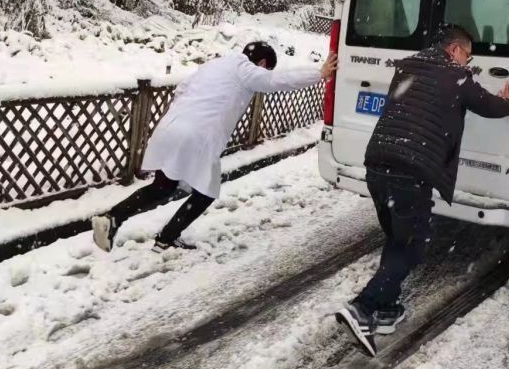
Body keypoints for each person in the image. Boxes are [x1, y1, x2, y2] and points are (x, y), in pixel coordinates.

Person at [336, 25, 509, 356]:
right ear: (455, 50)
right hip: (411, 172)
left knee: (397, 239)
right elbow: (491, 107)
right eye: (468, 56)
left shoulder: (406, 67)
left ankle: (388, 309)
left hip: (377, 165)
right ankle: (362, 307)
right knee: (413, 248)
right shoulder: (458, 77)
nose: (469, 63)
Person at [91, 42, 337, 253]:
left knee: (162, 187)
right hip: (197, 135)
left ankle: (113, 217)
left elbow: (181, 90)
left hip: (171, 127)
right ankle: (166, 238)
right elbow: (276, 81)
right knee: (206, 192)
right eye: (265, 67)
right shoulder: (245, 69)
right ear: (261, 63)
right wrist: (320, 73)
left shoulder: (214, 65)